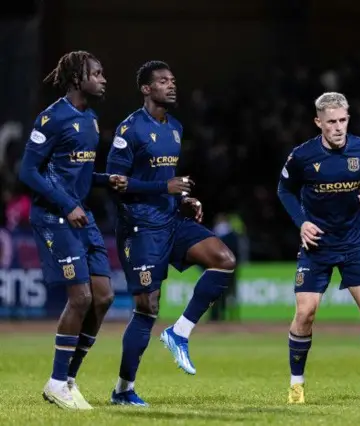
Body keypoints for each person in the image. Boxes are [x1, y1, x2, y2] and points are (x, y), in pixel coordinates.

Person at [106, 61, 236, 406]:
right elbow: (115, 183)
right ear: (146, 89)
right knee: (148, 306)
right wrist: (166, 185)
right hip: (140, 227)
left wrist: (183, 199)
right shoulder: (129, 129)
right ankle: (123, 390)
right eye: (163, 81)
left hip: (171, 219)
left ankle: (179, 333)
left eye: (173, 80)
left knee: (224, 259)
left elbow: (167, 181)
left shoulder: (176, 128)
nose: (171, 85)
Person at [18, 51, 122, 409]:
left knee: (104, 296)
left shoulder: (91, 120)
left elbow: (77, 174)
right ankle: (56, 381)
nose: (104, 78)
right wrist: (66, 205)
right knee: (80, 297)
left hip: (82, 215)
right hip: (54, 217)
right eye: (97, 73)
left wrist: (108, 180)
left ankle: (68, 378)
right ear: (78, 79)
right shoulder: (51, 118)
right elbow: (28, 172)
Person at [277, 92, 360, 404]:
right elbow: (284, 189)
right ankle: (296, 384)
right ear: (318, 123)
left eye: (342, 120)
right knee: (306, 312)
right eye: (331, 122)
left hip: (354, 243)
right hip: (317, 245)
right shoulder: (302, 156)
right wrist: (301, 222)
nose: (338, 127)